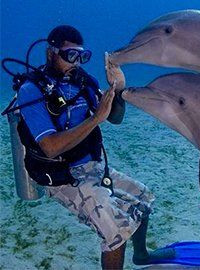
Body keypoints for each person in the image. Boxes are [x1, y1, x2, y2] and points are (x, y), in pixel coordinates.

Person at [16, 25, 174, 269]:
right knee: (115, 233)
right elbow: (49, 147)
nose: (76, 63)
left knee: (143, 200)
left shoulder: (84, 83)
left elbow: (115, 118)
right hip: (62, 176)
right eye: (70, 56)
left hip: (93, 166)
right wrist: (95, 118)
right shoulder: (32, 91)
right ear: (51, 53)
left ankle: (141, 255)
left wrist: (118, 91)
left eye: (82, 56)